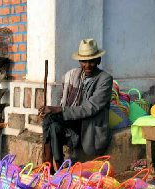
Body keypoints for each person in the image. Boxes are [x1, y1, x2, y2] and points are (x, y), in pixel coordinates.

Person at [38, 38, 113, 171]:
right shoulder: (73, 75)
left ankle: (49, 164)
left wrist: (58, 110)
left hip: (88, 124)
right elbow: (65, 101)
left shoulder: (105, 79)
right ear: (79, 61)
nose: (87, 65)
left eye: (91, 61)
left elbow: (90, 108)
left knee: (52, 118)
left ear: (98, 61)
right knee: (53, 124)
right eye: (84, 61)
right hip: (73, 119)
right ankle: (58, 165)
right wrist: (49, 111)